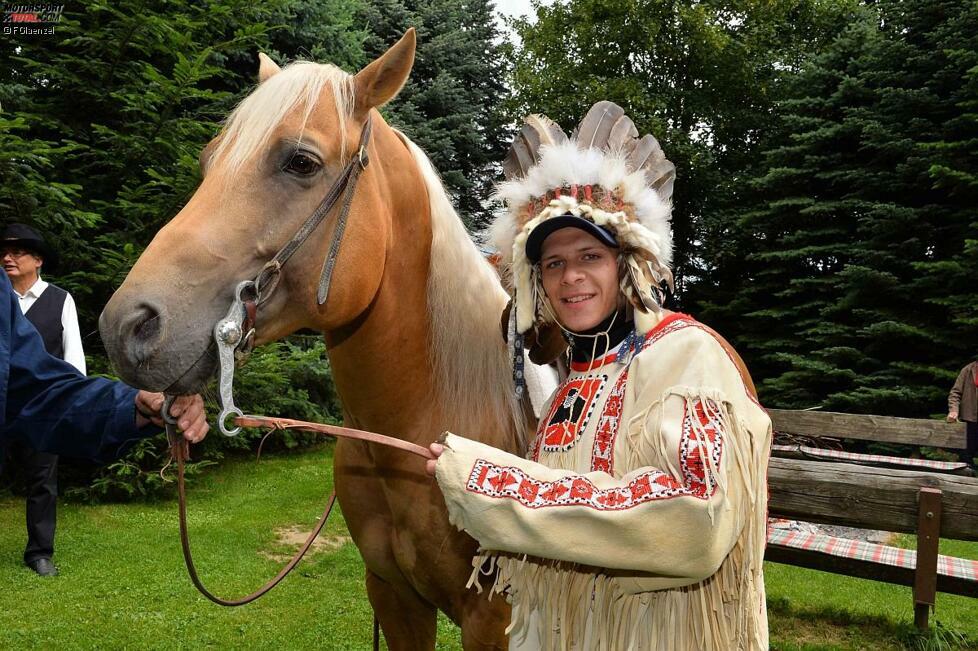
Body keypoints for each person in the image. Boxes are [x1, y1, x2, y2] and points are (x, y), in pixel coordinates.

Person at [425, 102, 772, 650]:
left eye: (590, 255)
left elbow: (695, 518)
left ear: (627, 263)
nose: (571, 277)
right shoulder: (572, 381)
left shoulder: (687, 357)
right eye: (554, 264)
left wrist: (494, 484)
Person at [0, 264, 208, 565]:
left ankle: (40, 552)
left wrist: (132, 405)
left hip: (42, 421)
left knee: (42, 481)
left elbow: (37, 392)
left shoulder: (54, 298)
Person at [2, 223, 87, 576]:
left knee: (43, 482)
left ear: (38, 259)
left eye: (17, 251)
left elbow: (74, 359)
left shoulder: (60, 300)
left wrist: (69, 406)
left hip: (42, 410)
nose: (7, 257)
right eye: (3, 252)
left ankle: (40, 553)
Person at [947, 360, 978, 465]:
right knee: (966, 457)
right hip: (970, 419)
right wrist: (953, 410)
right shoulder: (968, 369)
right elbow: (955, 393)